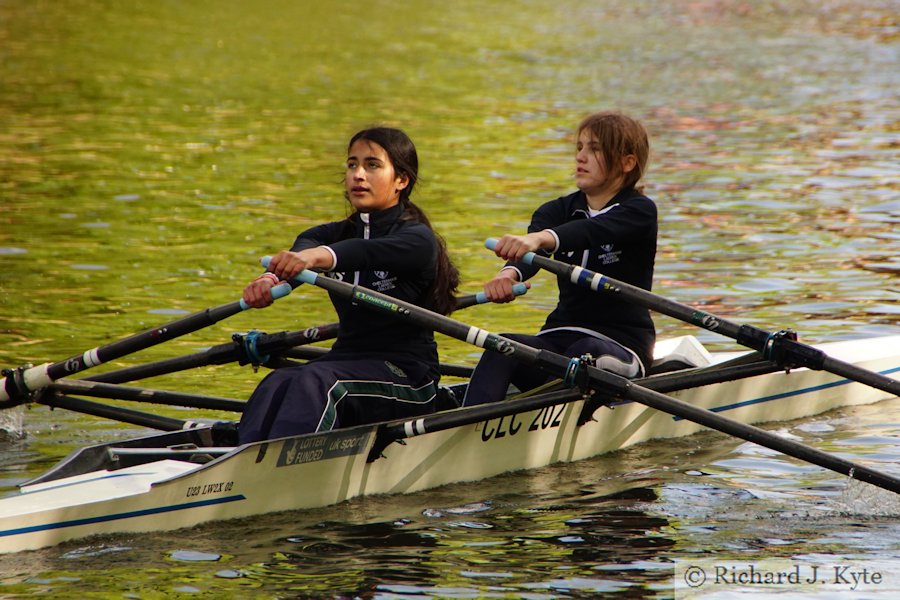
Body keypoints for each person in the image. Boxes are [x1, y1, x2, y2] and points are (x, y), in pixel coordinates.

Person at [238, 127, 459, 443]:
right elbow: (304, 246)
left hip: (407, 375)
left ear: (402, 180)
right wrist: (269, 278)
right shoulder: (329, 235)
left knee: (317, 381)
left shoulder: (416, 240)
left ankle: (279, 472)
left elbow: (363, 252)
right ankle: (239, 462)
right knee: (279, 381)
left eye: (372, 165)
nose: (358, 175)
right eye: (352, 164)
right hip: (346, 361)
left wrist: (315, 257)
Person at [463, 111, 656, 406]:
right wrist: (508, 276)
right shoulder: (555, 210)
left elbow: (592, 231)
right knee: (500, 346)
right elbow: (529, 256)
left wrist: (541, 238)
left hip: (621, 344)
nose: (581, 157)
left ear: (627, 163)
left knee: (582, 353)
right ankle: (467, 434)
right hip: (559, 334)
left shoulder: (639, 211)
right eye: (579, 147)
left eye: (595, 149)